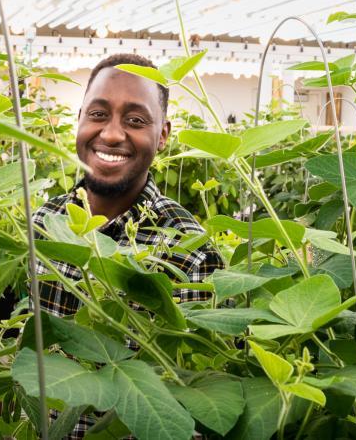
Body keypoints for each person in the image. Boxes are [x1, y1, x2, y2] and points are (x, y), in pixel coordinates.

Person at [31, 53, 224, 438]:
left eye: (135, 120)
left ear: (164, 134)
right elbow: (15, 354)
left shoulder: (190, 252)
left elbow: (193, 409)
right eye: (99, 114)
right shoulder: (41, 225)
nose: (113, 134)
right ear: (80, 118)